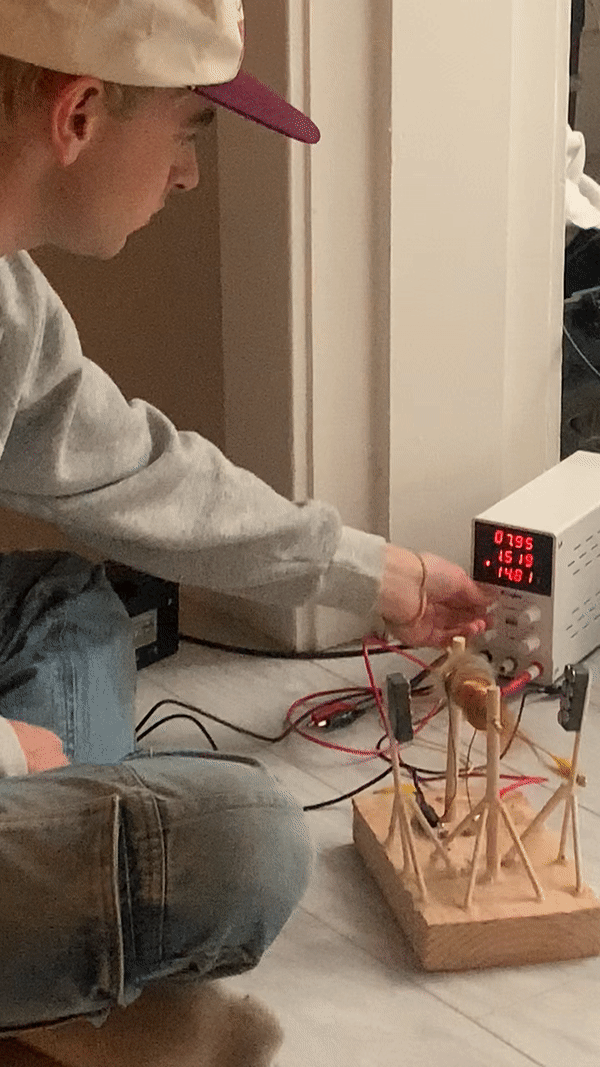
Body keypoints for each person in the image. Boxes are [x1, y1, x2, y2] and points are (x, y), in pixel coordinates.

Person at [0, 0, 493, 1060]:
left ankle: (52, 942)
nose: (187, 174)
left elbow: (138, 470)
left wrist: (380, 573)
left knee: (65, 599)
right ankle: (67, 978)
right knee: (242, 839)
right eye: (188, 128)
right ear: (78, 114)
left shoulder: (9, 304)